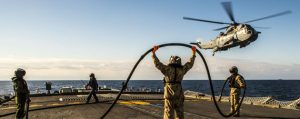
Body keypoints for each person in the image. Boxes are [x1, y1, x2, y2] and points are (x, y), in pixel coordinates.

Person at [152, 45, 196, 119]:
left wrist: (153, 53)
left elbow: (157, 63)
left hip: (169, 96)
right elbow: (190, 64)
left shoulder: (167, 69)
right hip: (179, 95)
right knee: (180, 115)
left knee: (168, 115)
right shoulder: (182, 69)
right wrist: (194, 53)